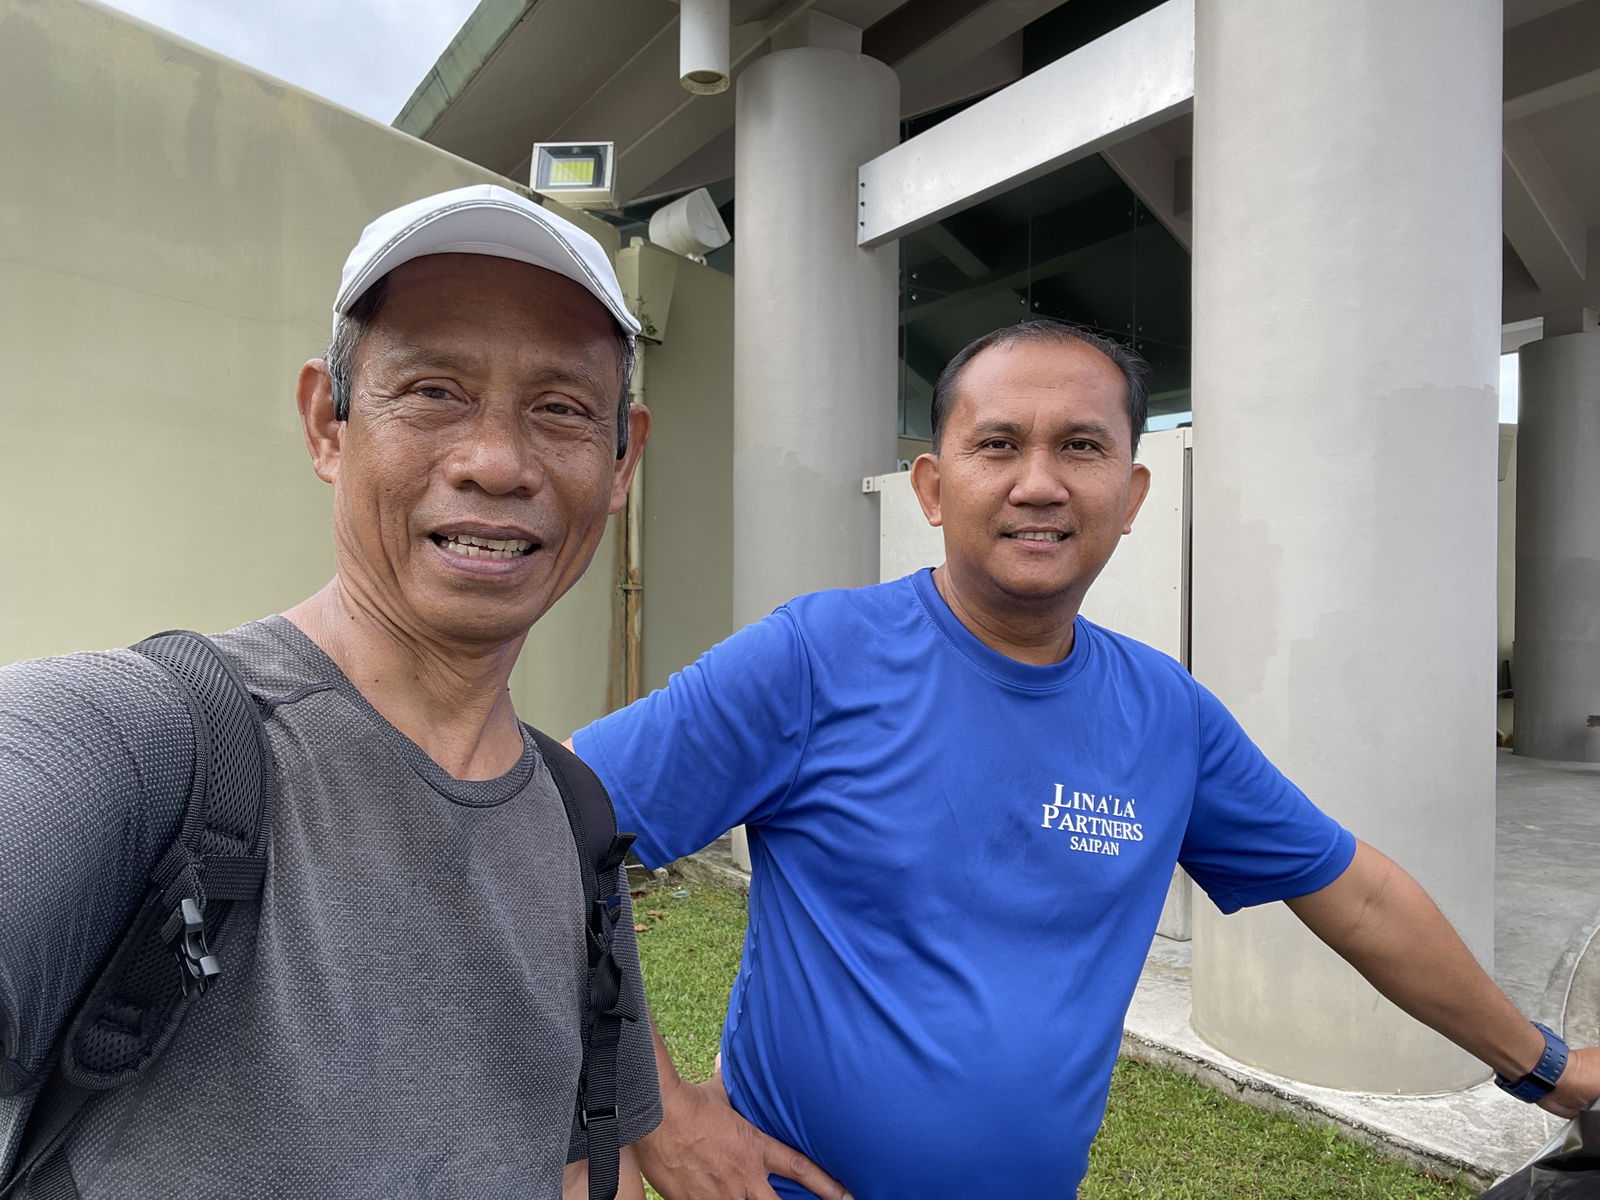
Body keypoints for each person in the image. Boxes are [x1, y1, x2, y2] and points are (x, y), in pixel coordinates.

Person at [571, 319, 1600, 1200]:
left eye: (1080, 446)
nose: (1038, 483)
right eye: (997, 445)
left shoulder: (1166, 716)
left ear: (1133, 488)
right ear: (933, 486)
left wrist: (1547, 1070)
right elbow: (553, 822)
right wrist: (650, 1111)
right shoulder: (813, 659)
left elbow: (1358, 896)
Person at [0, 185, 661, 1199]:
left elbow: (569, 1166)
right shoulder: (138, 744)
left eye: (561, 408)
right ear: (327, 423)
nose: (495, 461)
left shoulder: (574, 820)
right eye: (434, 389)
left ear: (621, 461)